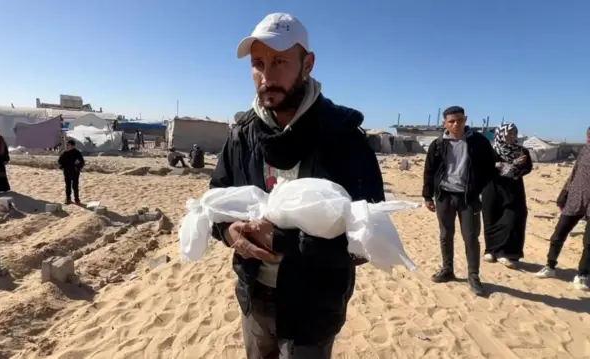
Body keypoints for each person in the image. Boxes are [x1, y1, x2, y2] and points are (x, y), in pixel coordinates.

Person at [210, 13, 385, 359]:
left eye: (279, 62)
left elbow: (368, 242)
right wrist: (230, 232)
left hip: (314, 307)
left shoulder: (344, 138)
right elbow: (215, 199)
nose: (267, 76)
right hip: (255, 298)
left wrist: (285, 242)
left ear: (308, 64)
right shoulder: (242, 136)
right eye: (258, 64)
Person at [422, 106, 496, 296]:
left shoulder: (478, 142)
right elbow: (429, 171)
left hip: (468, 198)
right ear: (444, 123)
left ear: (465, 120)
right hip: (444, 196)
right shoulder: (438, 144)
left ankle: (473, 275)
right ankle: (448, 270)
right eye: (452, 121)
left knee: (471, 236)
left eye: (460, 120)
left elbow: (490, 167)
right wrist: (427, 196)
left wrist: (477, 187)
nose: (456, 124)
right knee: (445, 234)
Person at [534, 133, 590, 291]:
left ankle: (583, 275)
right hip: (575, 198)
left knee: (589, 243)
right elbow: (574, 173)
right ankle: (550, 266)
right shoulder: (585, 151)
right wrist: (563, 194)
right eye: (588, 136)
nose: (588, 139)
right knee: (558, 235)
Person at [481, 123, 533, 268]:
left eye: (514, 133)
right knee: (491, 218)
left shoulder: (521, 150)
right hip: (492, 188)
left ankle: (505, 253)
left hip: (513, 189)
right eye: (509, 133)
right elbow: (486, 168)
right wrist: (509, 165)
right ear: (501, 134)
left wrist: (515, 168)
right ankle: (490, 250)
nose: (512, 136)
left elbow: (528, 168)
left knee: (512, 218)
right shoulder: (490, 150)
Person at [58, 140, 85, 204]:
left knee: (75, 186)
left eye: (68, 145)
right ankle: (68, 199)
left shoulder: (77, 152)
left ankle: (77, 199)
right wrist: (62, 167)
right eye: (67, 145)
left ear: (72, 146)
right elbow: (60, 161)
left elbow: (81, 161)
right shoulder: (64, 153)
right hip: (67, 172)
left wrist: (77, 167)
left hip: (75, 172)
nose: (67, 146)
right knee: (68, 186)